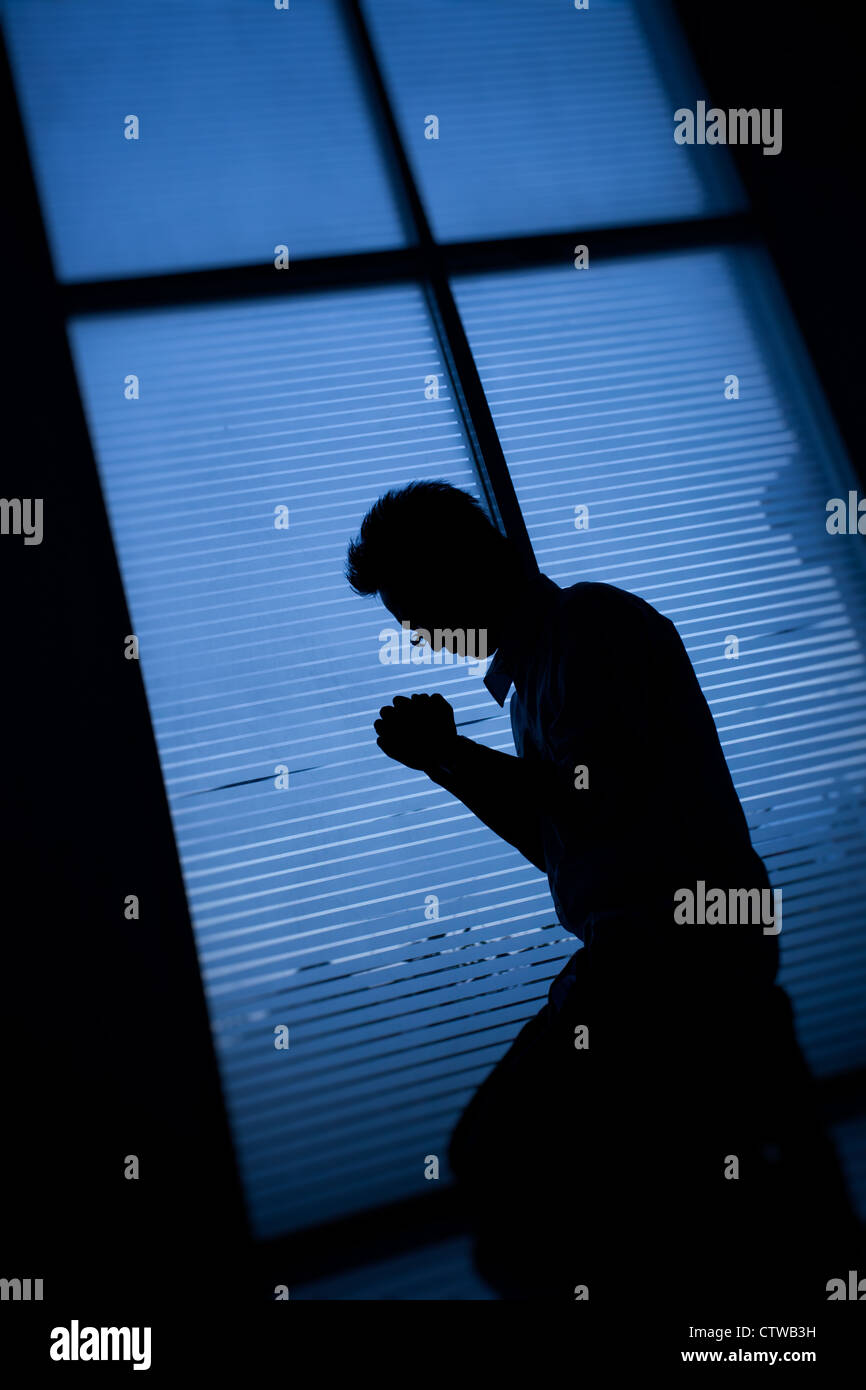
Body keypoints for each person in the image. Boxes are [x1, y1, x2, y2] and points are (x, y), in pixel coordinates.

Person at [346, 480, 860, 1307]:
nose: (411, 632)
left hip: (672, 956)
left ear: (464, 566)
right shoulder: (539, 671)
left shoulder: (589, 630)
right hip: (658, 955)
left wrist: (452, 753)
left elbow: (596, 796)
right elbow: (561, 843)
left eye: (412, 605)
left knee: (505, 1158)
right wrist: (447, 761)